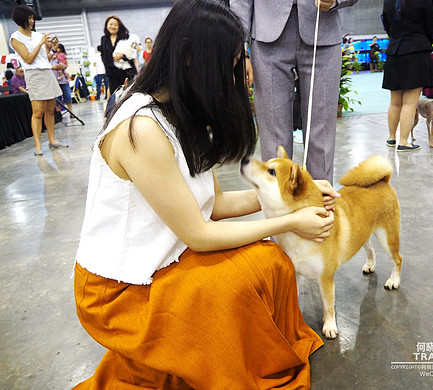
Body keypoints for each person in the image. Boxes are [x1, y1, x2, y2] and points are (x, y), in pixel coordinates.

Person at [72, 0, 340, 388]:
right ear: (189, 57)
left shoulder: (182, 113)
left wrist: (301, 199)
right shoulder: (142, 129)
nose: (237, 78)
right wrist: (290, 220)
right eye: (230, 66)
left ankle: (251, 358)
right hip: (121, 288)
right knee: (235, 291)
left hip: (167, 256)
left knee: (272, 262)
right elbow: (200, 232)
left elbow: (214, 205)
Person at [230, 0, 359, 184]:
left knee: (321, 135)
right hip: (267, 39)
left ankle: (321, 207)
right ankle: (279, 208)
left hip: (322, 33)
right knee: (273, 138)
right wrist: (240, 49)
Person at [9, 5, 68, 156]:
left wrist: (53, 49)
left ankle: (52, 140)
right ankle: (37, 145)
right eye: (29, 18)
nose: (32, 21)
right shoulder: (16, 38)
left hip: (47, 72)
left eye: (32, 18)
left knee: (50, 110)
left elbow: (44, 59)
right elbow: (28, 59)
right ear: (21, 19)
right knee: (37, 112)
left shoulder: (37, 35)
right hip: (34, 75)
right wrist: (41, 43)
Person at [382, 0, 433, 152]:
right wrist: (425, 42)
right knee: (409, 103)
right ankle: (404, 141)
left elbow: (386, 24)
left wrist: (396, 38)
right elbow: (430, 25)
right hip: (417, 51)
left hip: (395, 51)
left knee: (395, 102)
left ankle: (392, 137)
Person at [100, 15, 137, 97]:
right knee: (116, 97)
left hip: (127, 72)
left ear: (119, 26)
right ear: (106, 25)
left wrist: (122, 56)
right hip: (112, 74)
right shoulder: (103, 39)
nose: (113, 26)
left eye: (115, 25)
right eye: (110, 24)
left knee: (129, 96)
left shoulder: (126, 37)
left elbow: (133, 54)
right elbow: (104, 56)